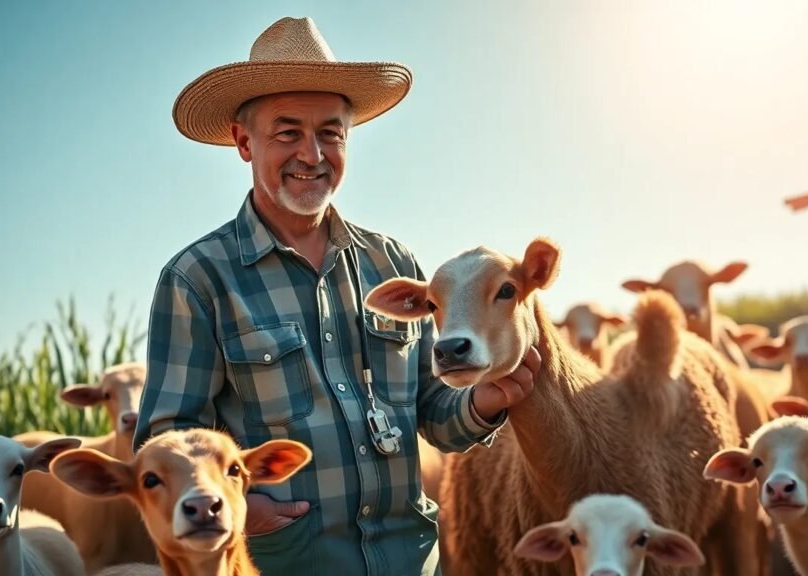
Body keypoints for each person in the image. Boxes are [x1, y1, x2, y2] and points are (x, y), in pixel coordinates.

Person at [134, 16, 540, 575]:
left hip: (409, 560)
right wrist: (243, 506)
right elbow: (166, 439)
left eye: (330, 132)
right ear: (243, 141)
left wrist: (487, 400)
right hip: (284, 561)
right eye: (287, 132)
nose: (312, 153)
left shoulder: (393, 263)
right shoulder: (199, 278)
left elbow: (431, 409)